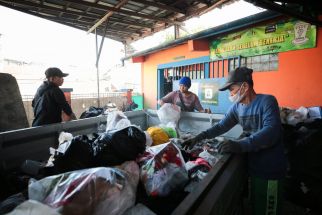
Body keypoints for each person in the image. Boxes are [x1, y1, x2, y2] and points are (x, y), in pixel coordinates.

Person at [183, 67, 287, 215]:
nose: (230, 94)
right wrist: (198, 137)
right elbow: (220, 127)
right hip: (254, 166)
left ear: (244, 86)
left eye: (232, 89)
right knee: (256, 206)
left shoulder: (267, 101)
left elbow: (271, 132)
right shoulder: (237, 108)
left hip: (271, 168)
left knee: (269, 209)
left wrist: (239, 145)